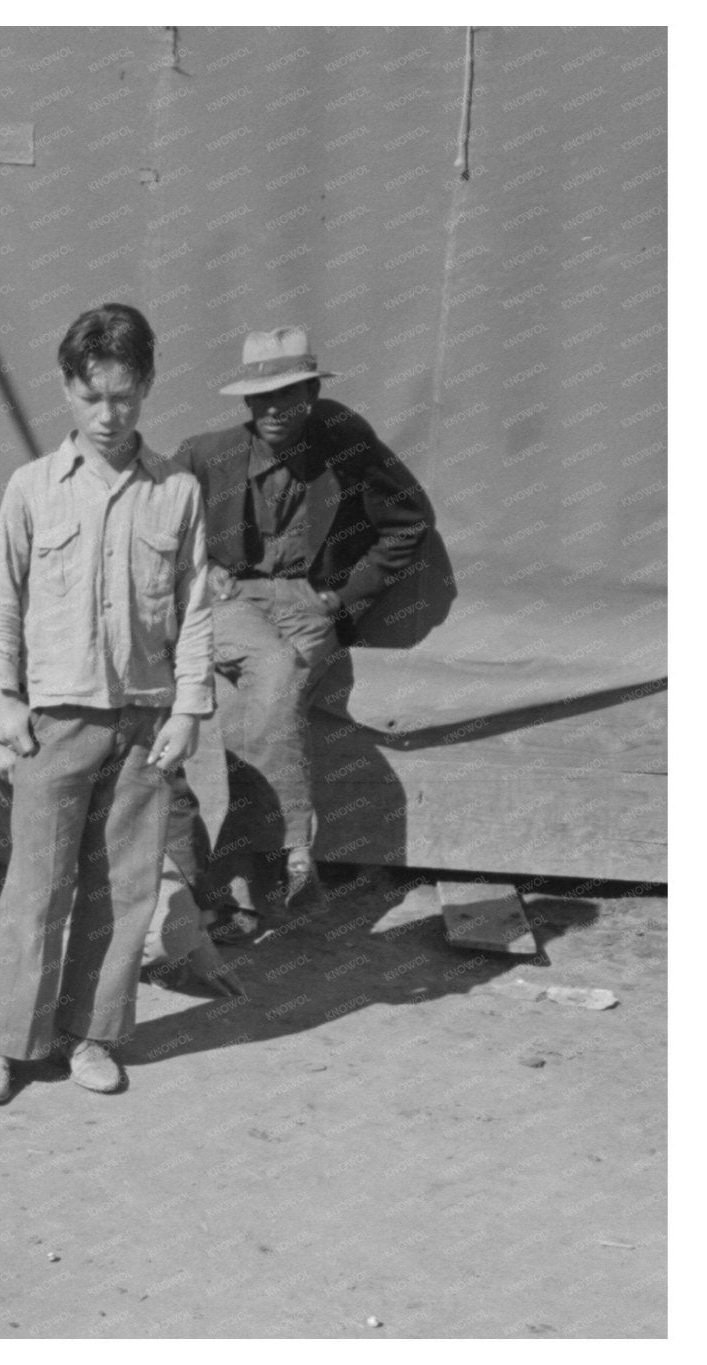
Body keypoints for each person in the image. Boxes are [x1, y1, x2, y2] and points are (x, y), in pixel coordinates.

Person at [0, 303, 215, 1104]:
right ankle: (3, 1042)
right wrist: (4, 698)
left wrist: (188, 709)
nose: (109, 415)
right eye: (93, 396)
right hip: (55, 720)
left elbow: (195, 607)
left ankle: (92, 1033)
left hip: (143, 720)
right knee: (35, 885)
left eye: (125, 396)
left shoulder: (176, 491)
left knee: (124, 886)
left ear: (147, 387)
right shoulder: (34, 487)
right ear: (68, 389)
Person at [174, 328, 430, 937]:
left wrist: (342, 596)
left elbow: (408, 523)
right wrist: (198, 568)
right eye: (260, 398)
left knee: (264, 709)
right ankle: (290, 853)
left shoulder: (346, 446)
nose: (272, 410)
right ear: (245, 401)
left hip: (307, 603)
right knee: (275, 687)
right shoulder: (206, 454)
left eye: (287, 396)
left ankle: (228, 894)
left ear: (311, 394)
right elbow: (149, 520)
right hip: (231, 602)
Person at [0, 676, 243, 1001]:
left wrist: (200, 919)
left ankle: (42, 938)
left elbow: (173, 805)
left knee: (172, 936)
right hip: (18, 837)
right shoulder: (8, 676)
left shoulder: (125, 689)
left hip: (99, 857)